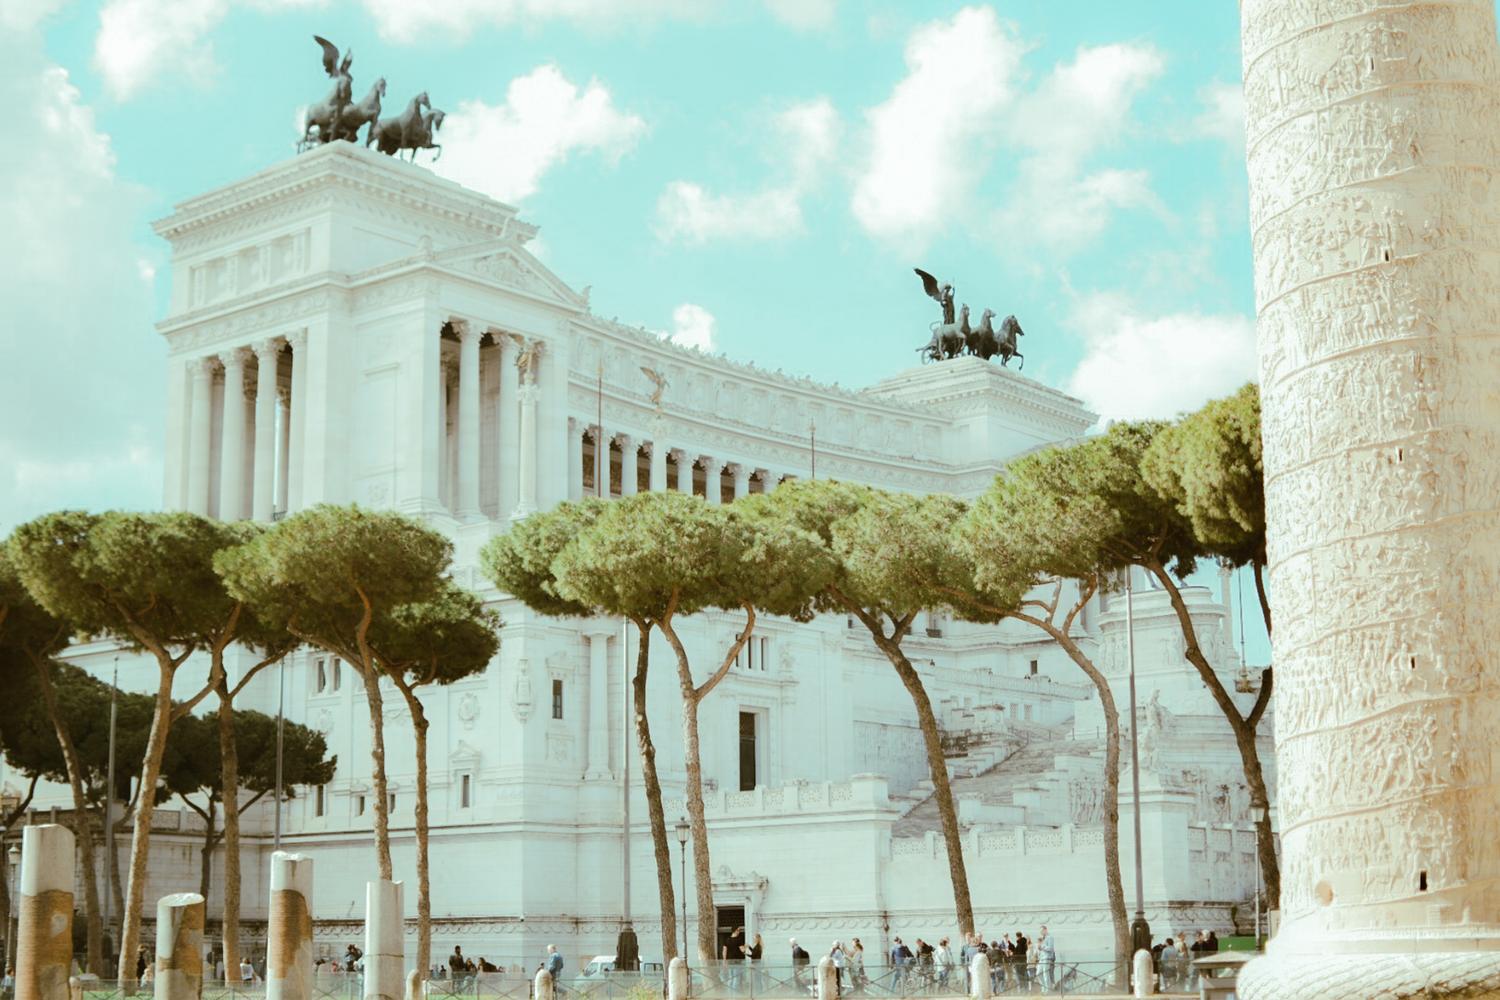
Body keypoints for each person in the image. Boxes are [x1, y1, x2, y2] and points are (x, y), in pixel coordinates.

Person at [724, 925, 746, 990]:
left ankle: (729, 993)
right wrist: (746, 946)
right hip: (737, 962)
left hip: (729, 961)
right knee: (736, 978)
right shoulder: (739, 940)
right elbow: (743, 950)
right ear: (735, 930)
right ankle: (734, 994)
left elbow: (724, 951)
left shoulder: (727, 939)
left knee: (730, 978)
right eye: (738, 930)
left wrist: (725, 961)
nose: (739, 931)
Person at [1036, 925, 1056, 991]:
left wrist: (1042, 946)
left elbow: (1051, 948)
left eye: (1041, 931)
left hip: (1047, 958)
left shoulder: (1050, 937)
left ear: (1045, 930)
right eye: (1040, 931)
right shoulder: (1042, 938)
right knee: (1038, 973)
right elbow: (1041, 949)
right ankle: (1044, 988)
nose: (1041, 932)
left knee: (1045, 974)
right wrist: (1039, 948)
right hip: (1041, 958)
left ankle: (1048, 990)